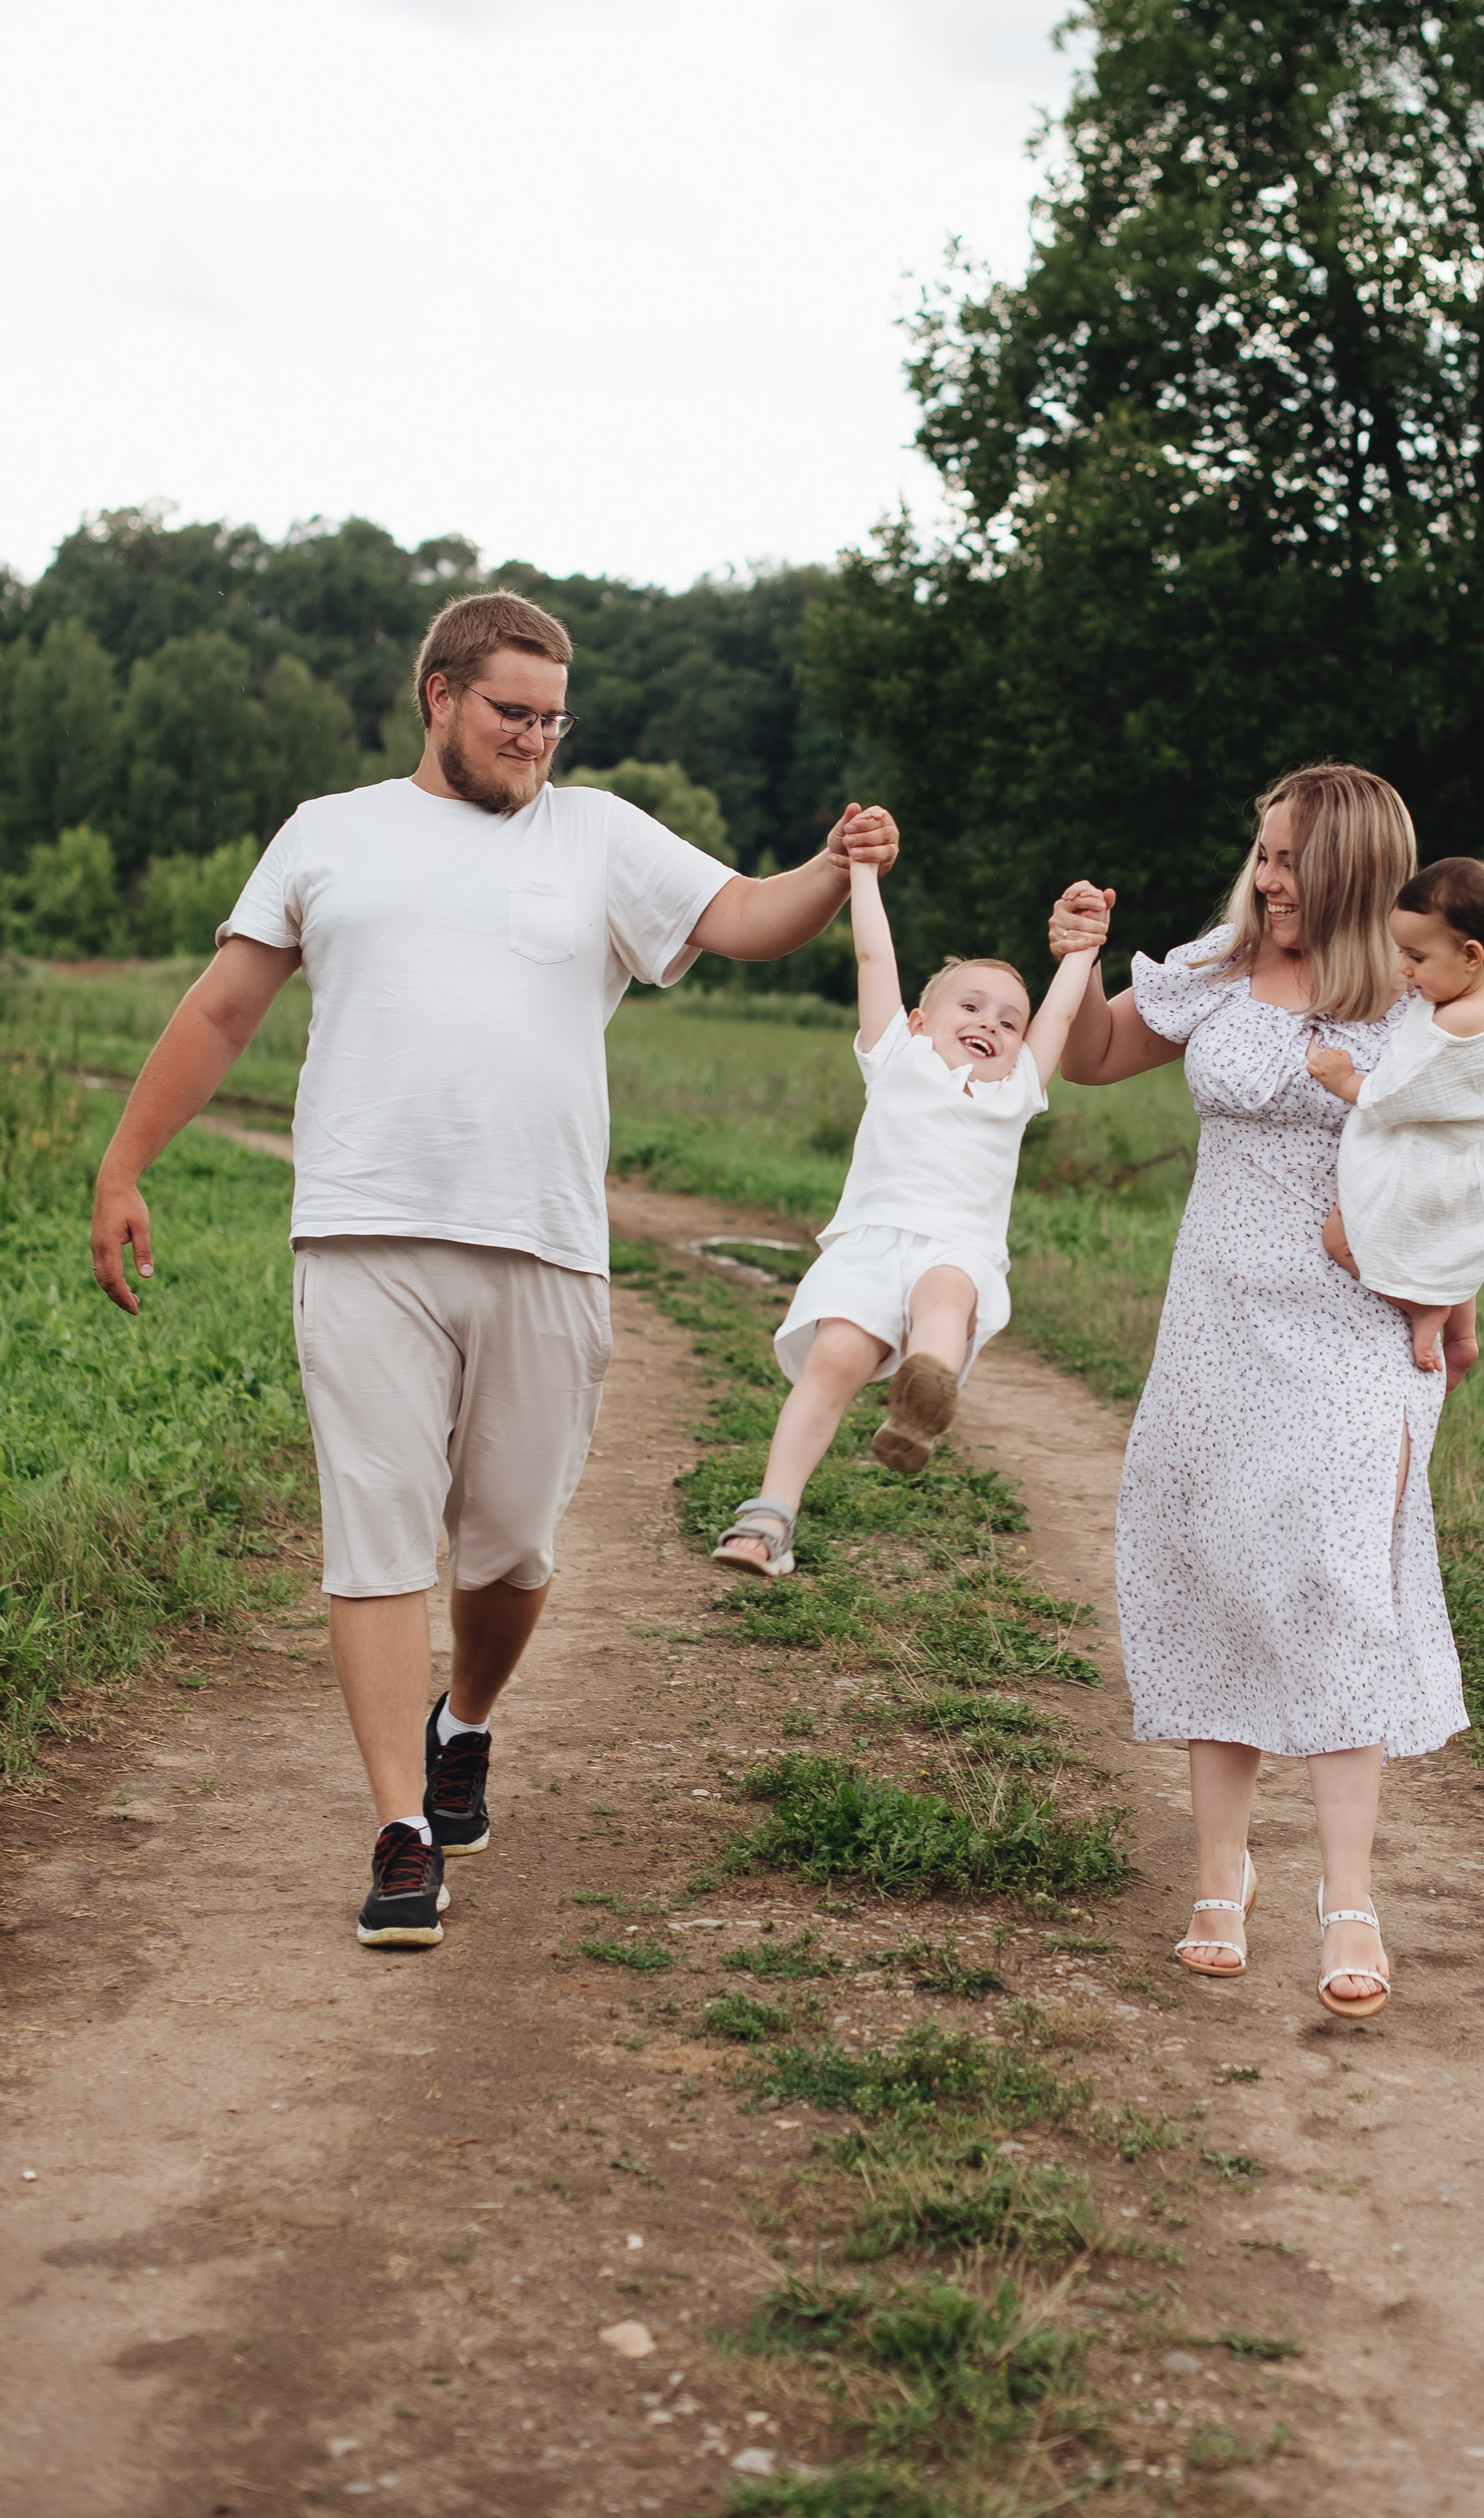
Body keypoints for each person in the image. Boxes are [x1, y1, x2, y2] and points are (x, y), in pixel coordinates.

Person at [89, 588, 899, 1950]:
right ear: (441, 696)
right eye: (512, 713)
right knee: (377, 1529)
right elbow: (222, 1009)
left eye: (552, 719)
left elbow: (750, 917)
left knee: (513, 1545)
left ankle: (464, 1721)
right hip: (363, 1233)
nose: (535, 738)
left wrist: (832, 865)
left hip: (543, 1242)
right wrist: (124, 1164)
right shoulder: (329, 833)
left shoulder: (598, 835)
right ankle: (401, 1832)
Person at [1048, 766, 1484, 2020]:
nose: (1267, 877)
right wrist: (1076, 957)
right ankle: (1219, 1877)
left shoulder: (1429, 1003)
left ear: (1351, 869)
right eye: (1263, 852)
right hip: (1217, 1317)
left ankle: (1350, 1896)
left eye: (1288, 859)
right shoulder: (1217, 967)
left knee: (1338, 1580)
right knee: (1219, 1571)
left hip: (1357, 1329)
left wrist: (1430, 1261)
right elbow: (1094, 1055)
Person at [712, 855, 1102, 1575]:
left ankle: (922, 1399)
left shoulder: (1015, 1089)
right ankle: (769, 1517)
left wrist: (1083, 946)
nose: (990, 1024)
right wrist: (862, 871)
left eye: (1009, 1021)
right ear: (920, 1022)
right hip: (869, 1247)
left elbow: (1062, 1013)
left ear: (1021, 1047)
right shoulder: (897, 1054)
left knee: (945, 1294)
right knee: (833, 1358)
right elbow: (873, 954)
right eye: (971, 1007)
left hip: (956, 1249)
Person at [1309, 856, 1484, 1373]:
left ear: (1470, 954)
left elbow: (1390, 1094)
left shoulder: (1447, 1030)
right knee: (1449, 1250)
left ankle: (1422, 1307)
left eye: (1416, 956)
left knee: (1341, 1237)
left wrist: (1343, 1079)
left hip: (1424, 1163)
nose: (1404, 970)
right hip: (1483, 1152)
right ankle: (1464, 1334)